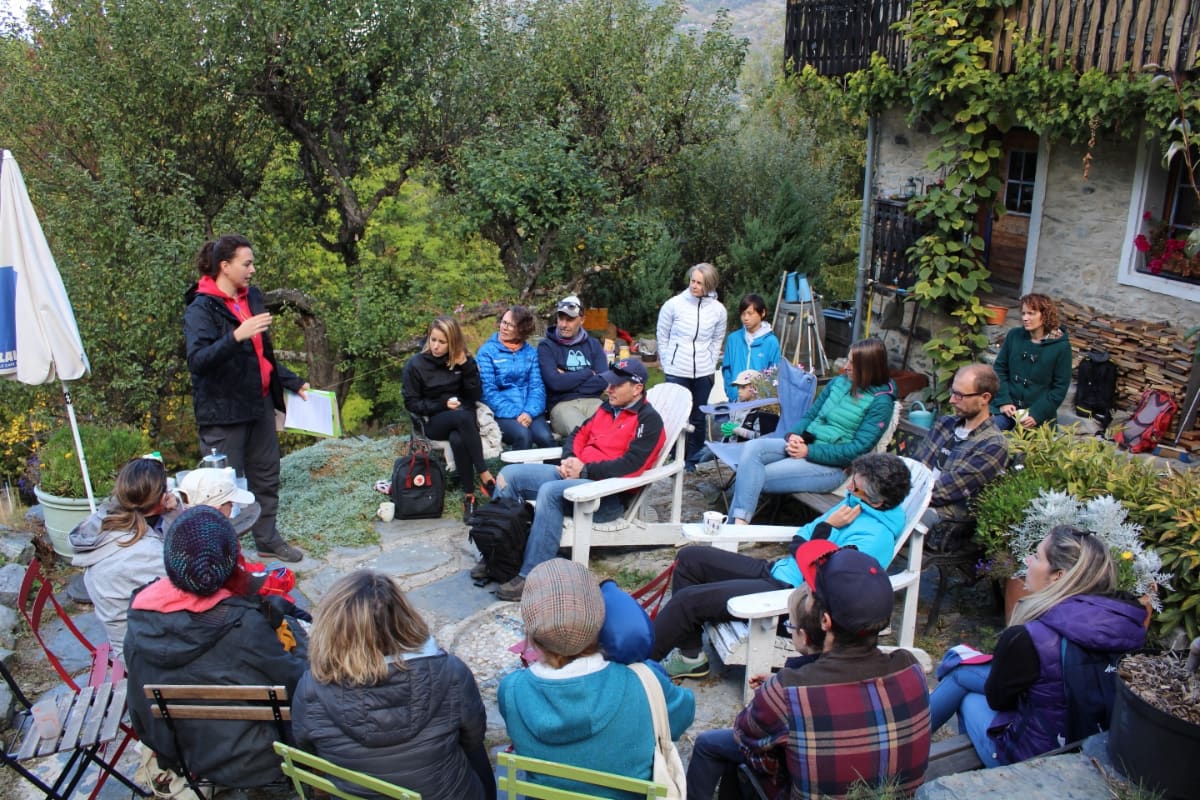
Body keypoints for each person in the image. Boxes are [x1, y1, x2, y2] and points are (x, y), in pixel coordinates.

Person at [688, 541, 930, 799]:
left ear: (824, 621)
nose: (807, 593)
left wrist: (786, 683)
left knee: (711, 746)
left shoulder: (786, 692)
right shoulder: (910, 669)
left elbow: (747, 740)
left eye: (813, 592)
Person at [652, 452, 912, 679]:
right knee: (691, 559)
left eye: (854, 486)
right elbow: (801, 539)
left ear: (877, 502)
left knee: (688, 602)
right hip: (780, 570)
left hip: (791, 595)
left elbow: (821, 576)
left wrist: (827, 527)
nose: (847, 490)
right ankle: (691, 657)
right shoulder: (854, 504)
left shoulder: (874, 539)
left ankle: (634, 669)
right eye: (851, 481)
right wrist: (814, 538)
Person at [928, 525, 1148, 767]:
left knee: (969, 698)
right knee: (962, 670)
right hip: (1092, 743)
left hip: (1038, 759)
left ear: (1059, 576)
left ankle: (906, 758)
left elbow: (999, 700)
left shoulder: (1030, 637)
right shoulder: (1126, 621)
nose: (1027, 560)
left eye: (1037, 556)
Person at [124, 506, 307, 789]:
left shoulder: (140, 616)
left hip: (184, 753)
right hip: (256, 761)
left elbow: (137, 705)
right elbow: (298, 685)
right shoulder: (244, 626)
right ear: (230, 562)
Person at [498, 559, 694, 797]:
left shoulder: (511, 690)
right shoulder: (644, 683)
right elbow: (684, 714)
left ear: (532, 635)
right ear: (602, 621)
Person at [292, 570, 495, 800]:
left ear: (332, 627)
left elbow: (307, 747)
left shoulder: (311, 688)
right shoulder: (451, 671)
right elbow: (473, 737)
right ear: (403, 617)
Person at [490, 358, 665, 601]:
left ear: (637, 388)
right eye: (609, 384)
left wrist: (584, 471)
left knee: (551, 492)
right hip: (575, 475)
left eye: (616, 385)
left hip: (605, 496)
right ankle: (497, 558)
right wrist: (570, 459)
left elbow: (632, 465)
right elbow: (577, 434)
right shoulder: (606, 409)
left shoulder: (649, 421)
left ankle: (531, 576)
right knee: (509, 476)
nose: (609, 389)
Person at [183, 233, 306, 563]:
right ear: (225, 266)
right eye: (246, 263)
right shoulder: (201, 308)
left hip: (259, 404)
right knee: (222, 487)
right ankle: (225, 554)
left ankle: (266, 538)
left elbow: (263, 354)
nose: (252, 269)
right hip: (224, 414)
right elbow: (198, 361)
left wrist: (293, 382)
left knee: (267, 476)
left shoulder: (251, 297)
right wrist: (236, 336)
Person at [727, 337, 895, 524]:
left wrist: (809, 451)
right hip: (804, 445)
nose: (846, 367)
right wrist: (795, 435)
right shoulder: (839, 382)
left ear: (868, 369)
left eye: (852, 364)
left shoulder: (881, 401)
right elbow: (810, 415)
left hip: (831, 467)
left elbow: (858, 449)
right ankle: (737, 528)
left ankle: (733, 529)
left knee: (753, 474)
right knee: (752, 449)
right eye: (847, 360)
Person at [69, 458, 183, 661]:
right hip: (143, 654)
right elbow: (188, 583)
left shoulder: (106, 521)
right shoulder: (143, 552)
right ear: (162, 498)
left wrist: (173, 512)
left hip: (131, 636)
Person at [403, 315, 497, 521]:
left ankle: (469, 497)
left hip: (463, 419)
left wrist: (465, 366)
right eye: (432, 339)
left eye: (442, 342)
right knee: (462, 418)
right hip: (435, 420)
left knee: (458, 438)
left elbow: (475, 395)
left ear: (452, 342)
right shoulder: (416, 365)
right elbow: (411, 403)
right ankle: (484, 474)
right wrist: (442, 405)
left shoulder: (461, 361)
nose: (435, 346)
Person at [909, 364, 1008, 532]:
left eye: (960, 395)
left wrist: (900, 494)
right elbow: (915, 466)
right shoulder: (945, 423)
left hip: (943, 518)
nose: (952, 400)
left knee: (883, 520)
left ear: (985, 398)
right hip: (913, 497)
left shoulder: (993, 444)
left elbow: (946, 491)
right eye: (953, 392)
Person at [657, 263, 727, 466]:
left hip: (703, 371)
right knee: (677, 416)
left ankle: (693, 459)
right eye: (692, 281)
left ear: (710, 285)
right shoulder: (673, 305)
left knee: (698, 417)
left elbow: (716, 339)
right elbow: (662, 335)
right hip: (677, 369)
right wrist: (668, 360)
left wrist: (710, 362)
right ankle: (671, 456)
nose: (694, 286)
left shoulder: (718, 311)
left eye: (700, 283)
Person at [477, 304, 556, 450]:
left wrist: (528, 412)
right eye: (504, 322)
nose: (504, 327)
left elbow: (537, 387)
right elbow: (488, 391)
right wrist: (516, 413)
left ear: (521, 330)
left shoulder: (530, 353)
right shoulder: (487, 352)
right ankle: (518, 473)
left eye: (511, 325)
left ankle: (554, 472)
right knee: (523, 436)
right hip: (502, 413)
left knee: (545, 438)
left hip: (529, 410)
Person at [990, 293, 1072, 431]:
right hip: (1006, 409)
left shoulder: (1061, 347)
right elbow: (999, 370)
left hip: (1037, 416)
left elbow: (1060, 388)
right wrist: (1004, 401)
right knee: (984, 434)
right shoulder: (1014, 336)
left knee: (1026, 452)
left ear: (1044, 315)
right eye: (1023, 313)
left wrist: (1036, 414)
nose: (1025, 318)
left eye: (1031, 313)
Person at [538, 294, 609, 438]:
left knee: (611, 427)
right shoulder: (546, 346)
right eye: (560, 318)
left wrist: (566, 378)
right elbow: (555, 383)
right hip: (562, 405)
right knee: (585, 433)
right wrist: (588, 373)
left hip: (594, 401)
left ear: (582, 320)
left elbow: (603, 381)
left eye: (570, 319)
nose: (563, 324)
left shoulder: (593, 345)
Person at [720, 293, 782, 403]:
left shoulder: (771, 342)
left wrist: (763, 396)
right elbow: (727, 369)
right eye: (743, 314)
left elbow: (774, 373)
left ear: (762, 313)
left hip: (761, 402)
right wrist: (733, 394)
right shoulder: (733, 339)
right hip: (736, 400)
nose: (746, 318)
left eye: (750, 313)